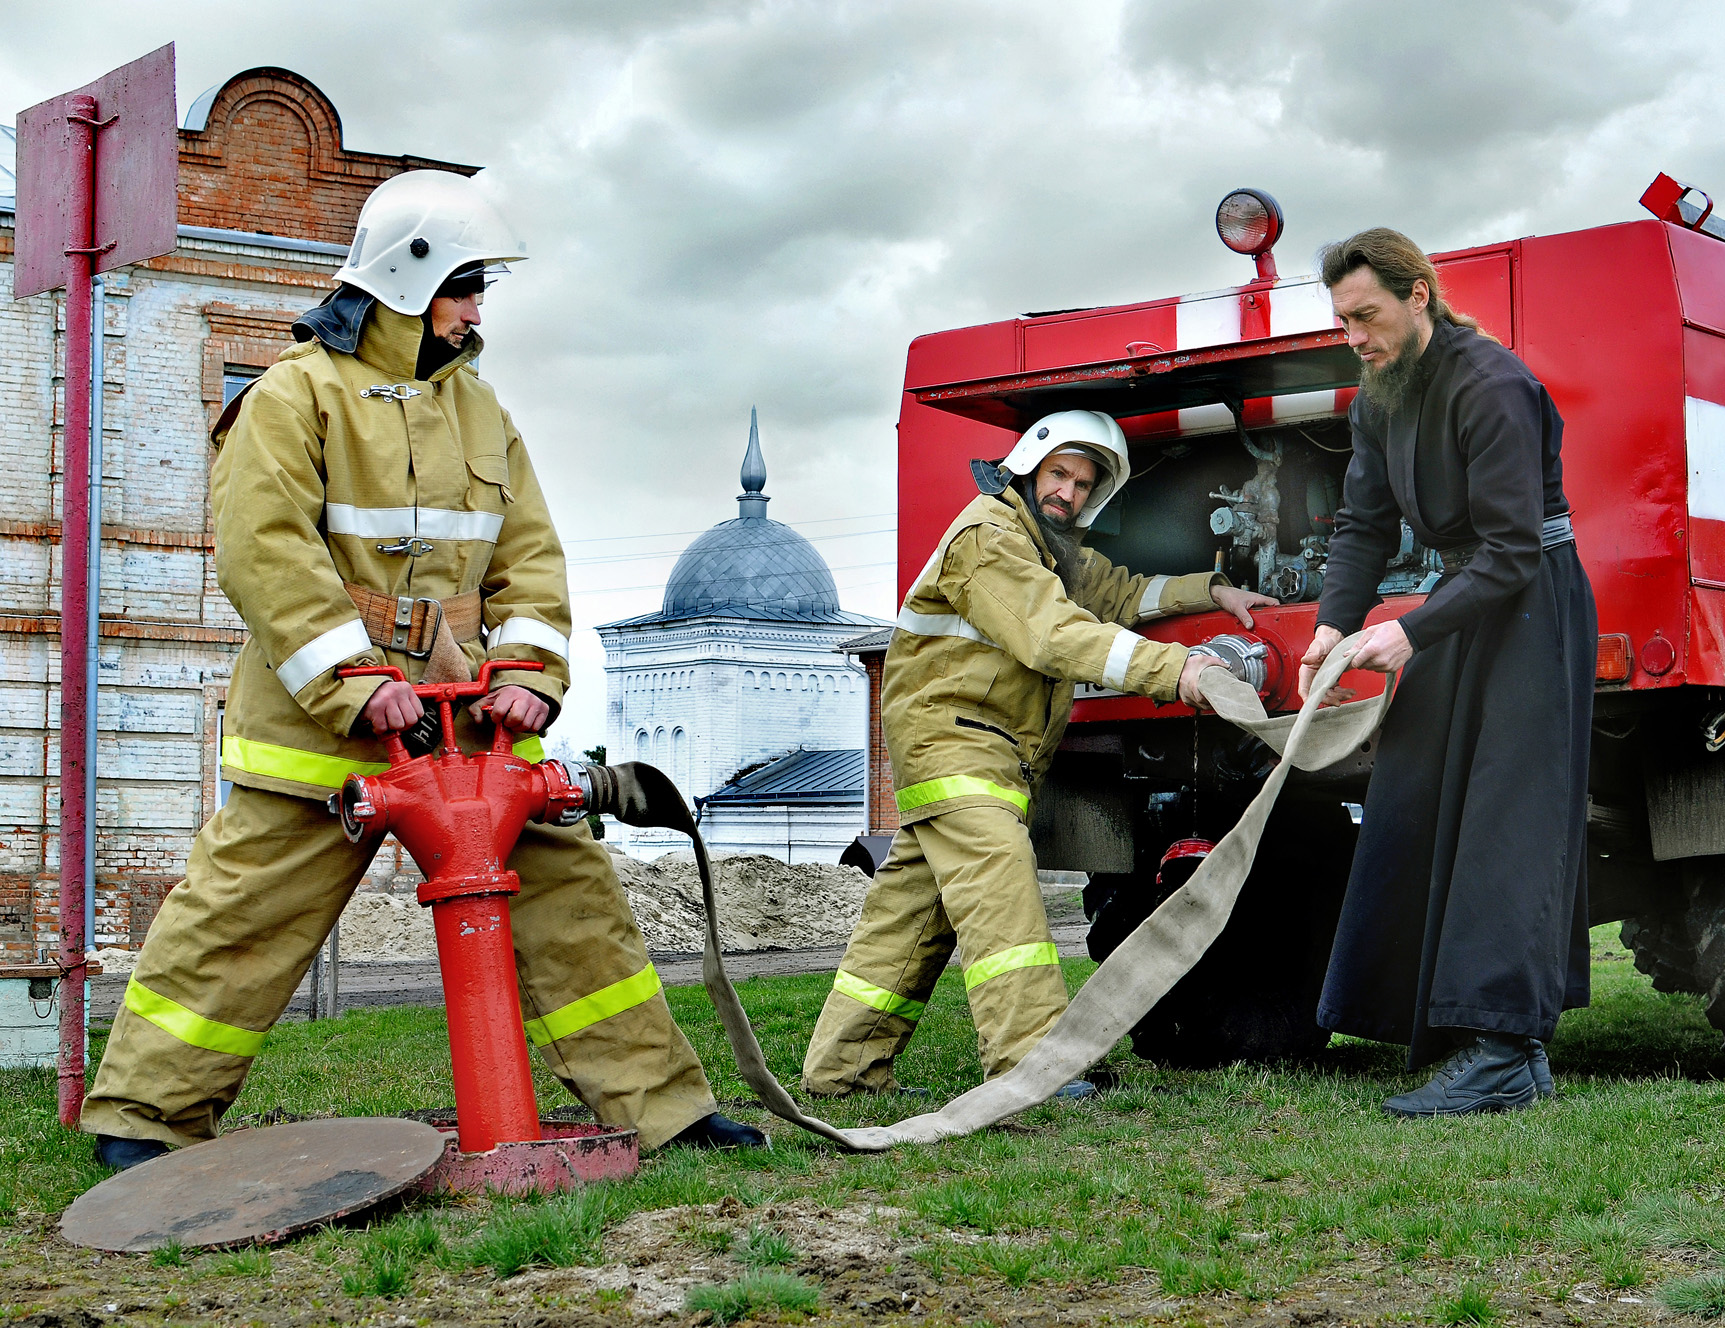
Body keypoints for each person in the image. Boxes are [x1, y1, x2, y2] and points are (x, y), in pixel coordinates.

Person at [81, 171, 764, 1169]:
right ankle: (143, 1119)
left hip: (472, 724)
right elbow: (264, 552)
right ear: (406, 280)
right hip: (321, 734)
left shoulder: (483, 414)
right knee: (240, 917)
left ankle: (664, 1109)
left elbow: (530, 555)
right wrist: (356, 682)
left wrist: (528, 667)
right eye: (464, 285)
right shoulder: (293, 395)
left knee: (576, 907)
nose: (477, 309)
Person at [801, 411, 1277, 1096]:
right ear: (1027, 466)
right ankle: (1035, 1069)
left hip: (979, 745)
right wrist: (1179, 670)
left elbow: (1119, 595)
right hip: (957, 742)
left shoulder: (1049, 551)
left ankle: (840, 1070)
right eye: (1060, 474)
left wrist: (1210, 590)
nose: (1070, 493)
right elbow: (1052, 633)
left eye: (1085, 484)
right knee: (1002, 888)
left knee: (910, 917)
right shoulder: (989, 539)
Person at [1298, 228, 1595, 1116]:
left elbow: (1510, 551)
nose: (1355, 335)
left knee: (1509, 815)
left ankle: (1504, 1049)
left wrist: (1413, 633)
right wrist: (1332, 627)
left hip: (1531, 600)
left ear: (1418, 294)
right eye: (1343, 320)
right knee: (1416, 796)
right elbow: (1363, 525)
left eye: (1368, 315)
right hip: (1467, 598)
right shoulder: (1378, 397)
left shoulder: (1493, 384)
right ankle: (1476, 1035)